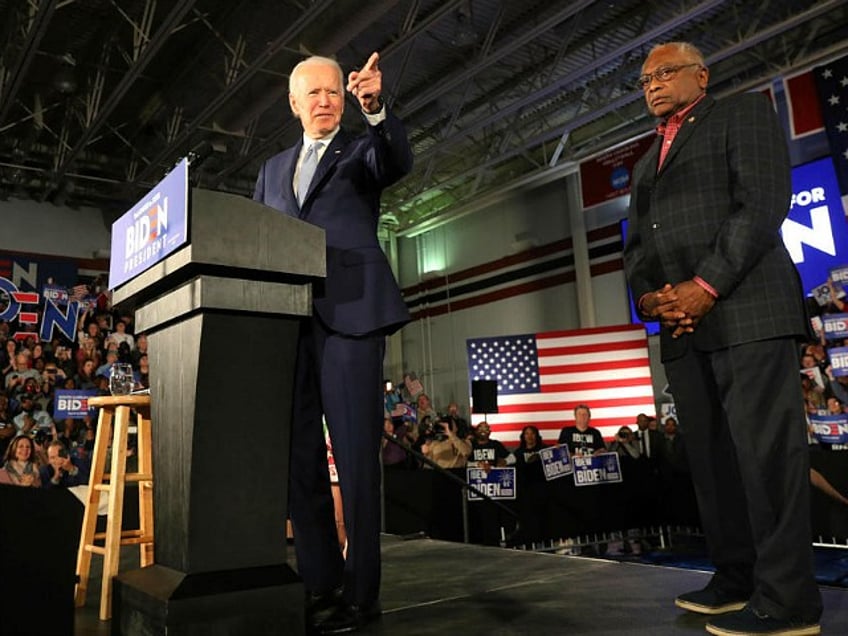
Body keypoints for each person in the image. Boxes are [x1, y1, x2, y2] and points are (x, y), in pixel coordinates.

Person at [623, 41, 821, 634]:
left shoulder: (742, 113)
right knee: (712, 462)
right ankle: (735, 577)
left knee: (766, 460)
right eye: (644, 80)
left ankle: (789, 601)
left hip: (746, 312)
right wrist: (650, 298)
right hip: (682, 329)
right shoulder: (642, 163)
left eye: (664, 73)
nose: (653, 84)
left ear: (700, 76)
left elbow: (762, 204)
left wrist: (704, 285)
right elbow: (638, 248)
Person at [253, 52, 412, 634]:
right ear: (293, 104)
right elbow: (255, 239)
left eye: (334, 92)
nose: (326, 100)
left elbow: (396, 159)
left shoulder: (361, 150)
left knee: (354, 463)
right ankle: (320, 585)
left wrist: (377, 111)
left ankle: (361, 595)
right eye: (313, 93)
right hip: (287, 327)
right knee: (301, 467)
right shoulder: (271, 170)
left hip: (351, 318)